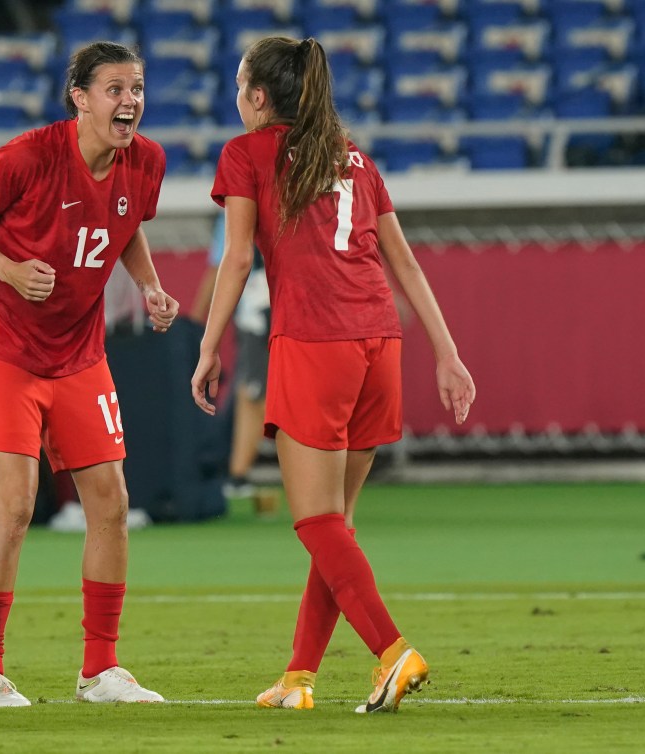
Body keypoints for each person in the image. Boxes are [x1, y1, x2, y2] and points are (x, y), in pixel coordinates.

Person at [191, 37, 475, 713]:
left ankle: (391, 650)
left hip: (316, 340)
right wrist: (447, 352)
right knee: (337, 524)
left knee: (316, 523)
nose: (236, 98)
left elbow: (235, 262)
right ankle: (298, 679)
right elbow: (403, 261)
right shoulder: (353, 155)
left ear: (260, 97)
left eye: (239, 87)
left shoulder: (247, 152)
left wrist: (207, 348)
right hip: (381, 339)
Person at [0, 41, 179, 708]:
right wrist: (10, 269)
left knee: (111, 503)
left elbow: (124, 225)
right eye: (114, 88)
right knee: (15, 506)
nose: (128, 100)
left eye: (136, 87)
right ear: (79, 97)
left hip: (78, 352)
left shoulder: (147, 161)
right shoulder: (29, 156)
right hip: (3, 346)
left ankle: (100, 671)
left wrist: (151, 286)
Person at [190, 214, 271, 501]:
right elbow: (223, 264)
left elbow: (223, 265)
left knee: (254, 391)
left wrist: (199, 326)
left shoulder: (240, 202)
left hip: (266, 305)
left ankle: (239, 474)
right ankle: (238, 474)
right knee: (253, 391)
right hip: (263, 305)